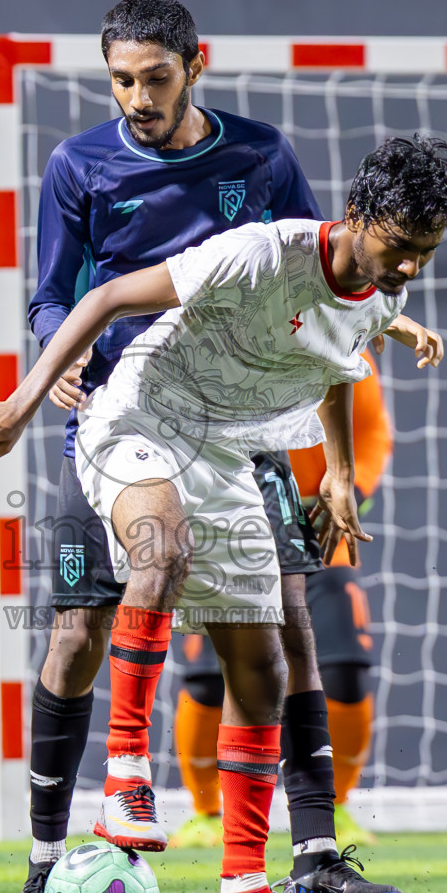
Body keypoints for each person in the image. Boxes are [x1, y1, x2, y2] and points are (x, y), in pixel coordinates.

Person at [0, 133, 447, 893]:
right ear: (360, 215)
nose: (411, 266)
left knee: (261, 660)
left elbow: (339, 363)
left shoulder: (383, 296)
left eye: (427, 252)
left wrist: (338, 473)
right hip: (139, 416)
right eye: (402, 246)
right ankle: (126, 775)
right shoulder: (260, 252)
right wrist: (21, 405)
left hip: (229, 447)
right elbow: (102, 300)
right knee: (159, 553)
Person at [4, 0, 415, 893]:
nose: (137, 98)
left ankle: (307, 863)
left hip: (240, 428)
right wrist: (53, 369)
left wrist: (337, 467)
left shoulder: (259, 156)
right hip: (122, 419)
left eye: (155, 77)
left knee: (284, 628)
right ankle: (42, 870)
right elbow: (53, 297)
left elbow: (324, 288)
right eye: (120, 81)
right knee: (73, 637)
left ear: (197, 64)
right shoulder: (81, 165)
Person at [170, 353, 402, 855]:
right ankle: (206, 811)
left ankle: (336, 804)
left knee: (342, 671)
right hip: (231, 530)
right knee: (211, 679)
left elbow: (372, 434)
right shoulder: (225, 333)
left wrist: (350, 492)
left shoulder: (347, 347)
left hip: (318, 536)